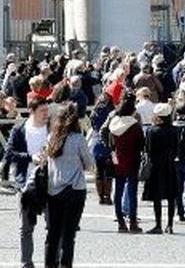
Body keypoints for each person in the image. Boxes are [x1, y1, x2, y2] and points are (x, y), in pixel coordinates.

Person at [42, 102, 94, 268]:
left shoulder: (51, 137)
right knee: (69, 234)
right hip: (74, 188)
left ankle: (50, 264)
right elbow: (89, 164)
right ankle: (65, 265)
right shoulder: (78, 139)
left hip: (53, 188)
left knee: (53, 232)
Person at [10, 95, 55, 264]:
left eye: (47, 111)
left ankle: (50, 262)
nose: (46, 114)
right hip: (26, 185)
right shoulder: (19, 130)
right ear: (32, 112)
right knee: (26, 228)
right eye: (42, 111)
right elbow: (10, 154)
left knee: (52, 227)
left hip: (50, 184)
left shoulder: (52, 130)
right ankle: (26, 263)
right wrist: (31, 157)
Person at [104, 93, 144, 232]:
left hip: (117, 158)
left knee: (118, 190)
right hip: (132, 159)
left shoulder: (113, 123)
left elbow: (109, 142)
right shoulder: (135, 126)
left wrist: (112, 153)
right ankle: (133, 221)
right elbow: (141, 144)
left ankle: (120, 221)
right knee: (132, 192)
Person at [141, 102, 182, 233]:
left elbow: (148, 149)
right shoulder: (175, 130)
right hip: (170, 164)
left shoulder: (151, 131)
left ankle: (158, 224)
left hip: (156, 165)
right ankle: (170, 224)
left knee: (157, 197)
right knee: (171, 196)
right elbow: (177, 149)